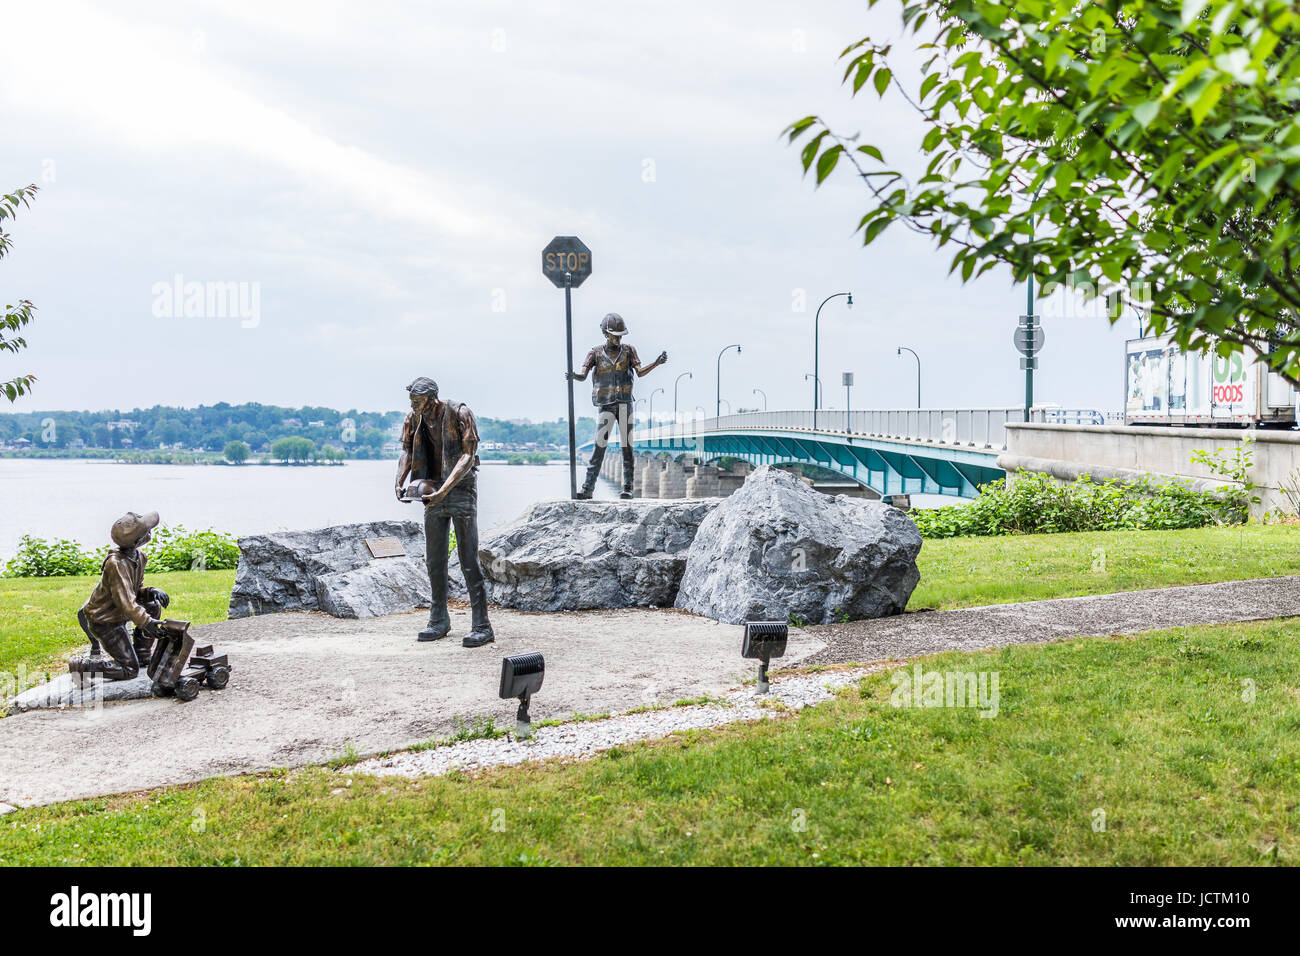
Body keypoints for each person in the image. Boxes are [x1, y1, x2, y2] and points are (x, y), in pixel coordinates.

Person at [395, 376, 495, 647]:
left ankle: (482, 625)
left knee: (468, 560)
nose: (414, 405)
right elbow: (406, 451)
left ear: (431, 397)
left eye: (418, 401)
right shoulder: (413, 418)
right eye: (412, 401)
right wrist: (399, 480)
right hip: (433, 492)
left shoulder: (459, 412)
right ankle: (439, 619)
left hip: (461, 492)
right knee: (434, 560)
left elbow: (468, 455)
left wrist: (446, 489)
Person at [567, 313, 667, 499]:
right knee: (599, 447)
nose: (618, 338)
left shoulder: (629, 351)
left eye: (621, 335)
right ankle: (588, 488)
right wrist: (574, 376)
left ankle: (628, 488)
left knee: (626, 447)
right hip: (605, 405)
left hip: (624, 404)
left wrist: (656, 363)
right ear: (605, 333)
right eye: (615, 335)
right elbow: (583, 375)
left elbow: (640, 372)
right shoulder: (595, 353)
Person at [75, 511, 169, 680]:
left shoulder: (140, 557)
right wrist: (147, 622)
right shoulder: (115, 564)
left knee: (152, 604)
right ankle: (83, 667)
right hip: (105, 620)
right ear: (137, 540)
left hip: (120, 612)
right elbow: (125, 602)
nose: (150, 532)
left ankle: (141, 655)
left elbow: (133, 591)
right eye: (147, 531)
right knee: (128, 670)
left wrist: (150, 591)